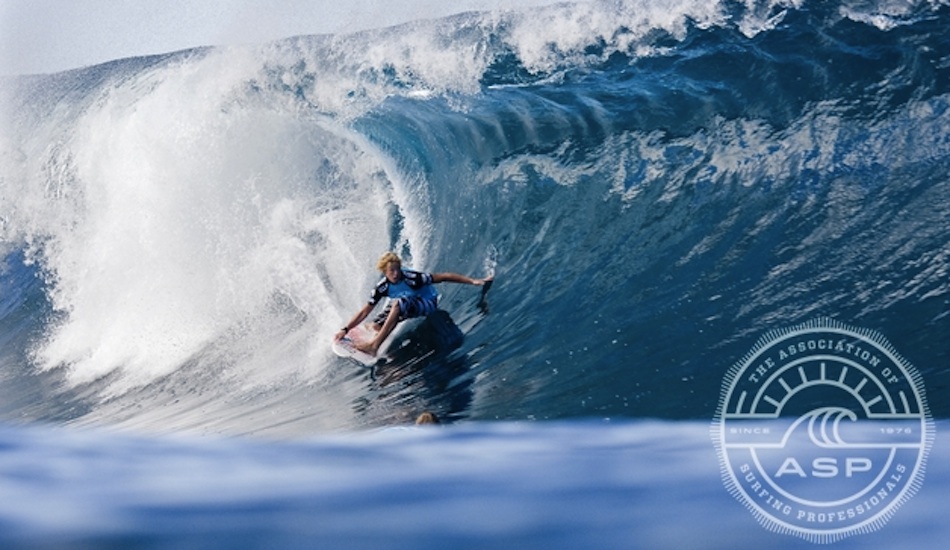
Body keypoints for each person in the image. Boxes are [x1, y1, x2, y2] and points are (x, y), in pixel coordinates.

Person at [335, 251, 492, 356]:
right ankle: (377, 328)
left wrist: (474, 281)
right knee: (377, 322)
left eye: (397, 269)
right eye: (392, 271)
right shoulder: (382, 287)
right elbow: (365, 311)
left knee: (399, 304)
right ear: (384, 272)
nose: (396, 274)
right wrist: (346, 329)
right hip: (407, 301)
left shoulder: (412, 278)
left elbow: (444, 276)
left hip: (427, 302)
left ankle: (374, 345)